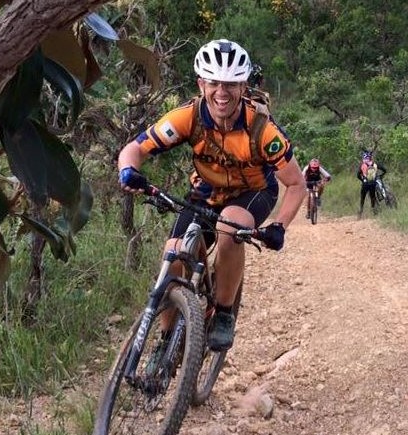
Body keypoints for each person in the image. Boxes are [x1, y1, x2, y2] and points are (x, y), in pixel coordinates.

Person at [118, 39, 306, 352]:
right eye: (214, 82)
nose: (222, 91)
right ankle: (165, 343)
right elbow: (135, 148)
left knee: (230, 228)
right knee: (173, 253)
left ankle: (224, 312)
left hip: (253, 191)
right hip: (206, 190)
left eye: (231, 84)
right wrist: (128, 171)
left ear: (243, 87)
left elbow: (296, 184)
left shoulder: (262, 129)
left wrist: (280, 226)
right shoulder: (188, 117)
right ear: (201, 84)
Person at [356, 150, 386, 218]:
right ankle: (374, 211)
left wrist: (362, 180)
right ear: (370, 157)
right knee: (373, 197)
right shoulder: (375, 164)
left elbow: (358, 175)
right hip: (373, 183)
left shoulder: (362, 165)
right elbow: (384, 170)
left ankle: (360, 212)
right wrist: (381, 176)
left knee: (362, 197)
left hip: (365, 184)